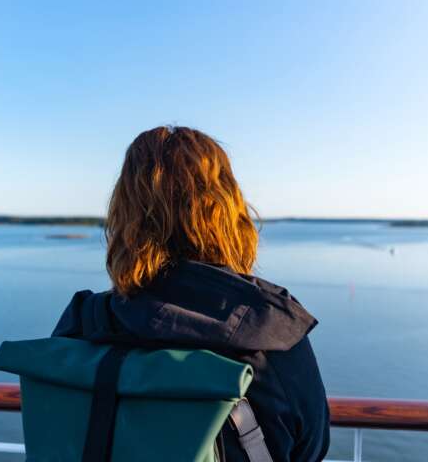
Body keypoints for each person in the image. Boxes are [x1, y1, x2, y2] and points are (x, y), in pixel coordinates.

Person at [52, 126, 330, 461]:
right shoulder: (271, 333)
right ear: (229, 212)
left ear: (125, 215)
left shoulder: (84, 322)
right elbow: (310, 448)